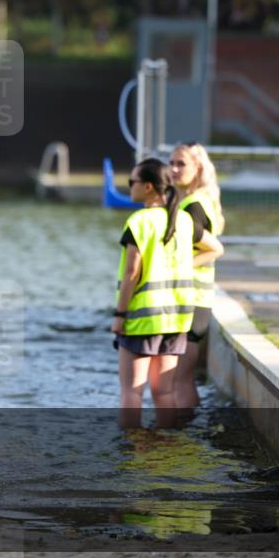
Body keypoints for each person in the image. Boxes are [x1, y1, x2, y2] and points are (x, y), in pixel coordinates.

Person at [113, 158, 222, 428]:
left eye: (132, 182)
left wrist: (119, 315)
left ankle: (129, 453)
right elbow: (214, 247)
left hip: (141, 318)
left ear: (148, 187)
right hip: (176, 318)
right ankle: (168, 448)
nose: (130, 187)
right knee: (165, 392)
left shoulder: (139, 221)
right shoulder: (183, 220)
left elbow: (131, 274)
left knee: (132, 392)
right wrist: (185, 265)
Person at [170, 142, 226, 409]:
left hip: (191, 300)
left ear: (198, 167)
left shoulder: (193, 206)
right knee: (184, 379)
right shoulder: (204, 200)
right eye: (171, 163)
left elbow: (214, 249)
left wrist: (179, 269)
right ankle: (186, 436)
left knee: (179, 380)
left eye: (181, 164)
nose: (173, 169)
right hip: (198, 300)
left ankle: (181, 437)